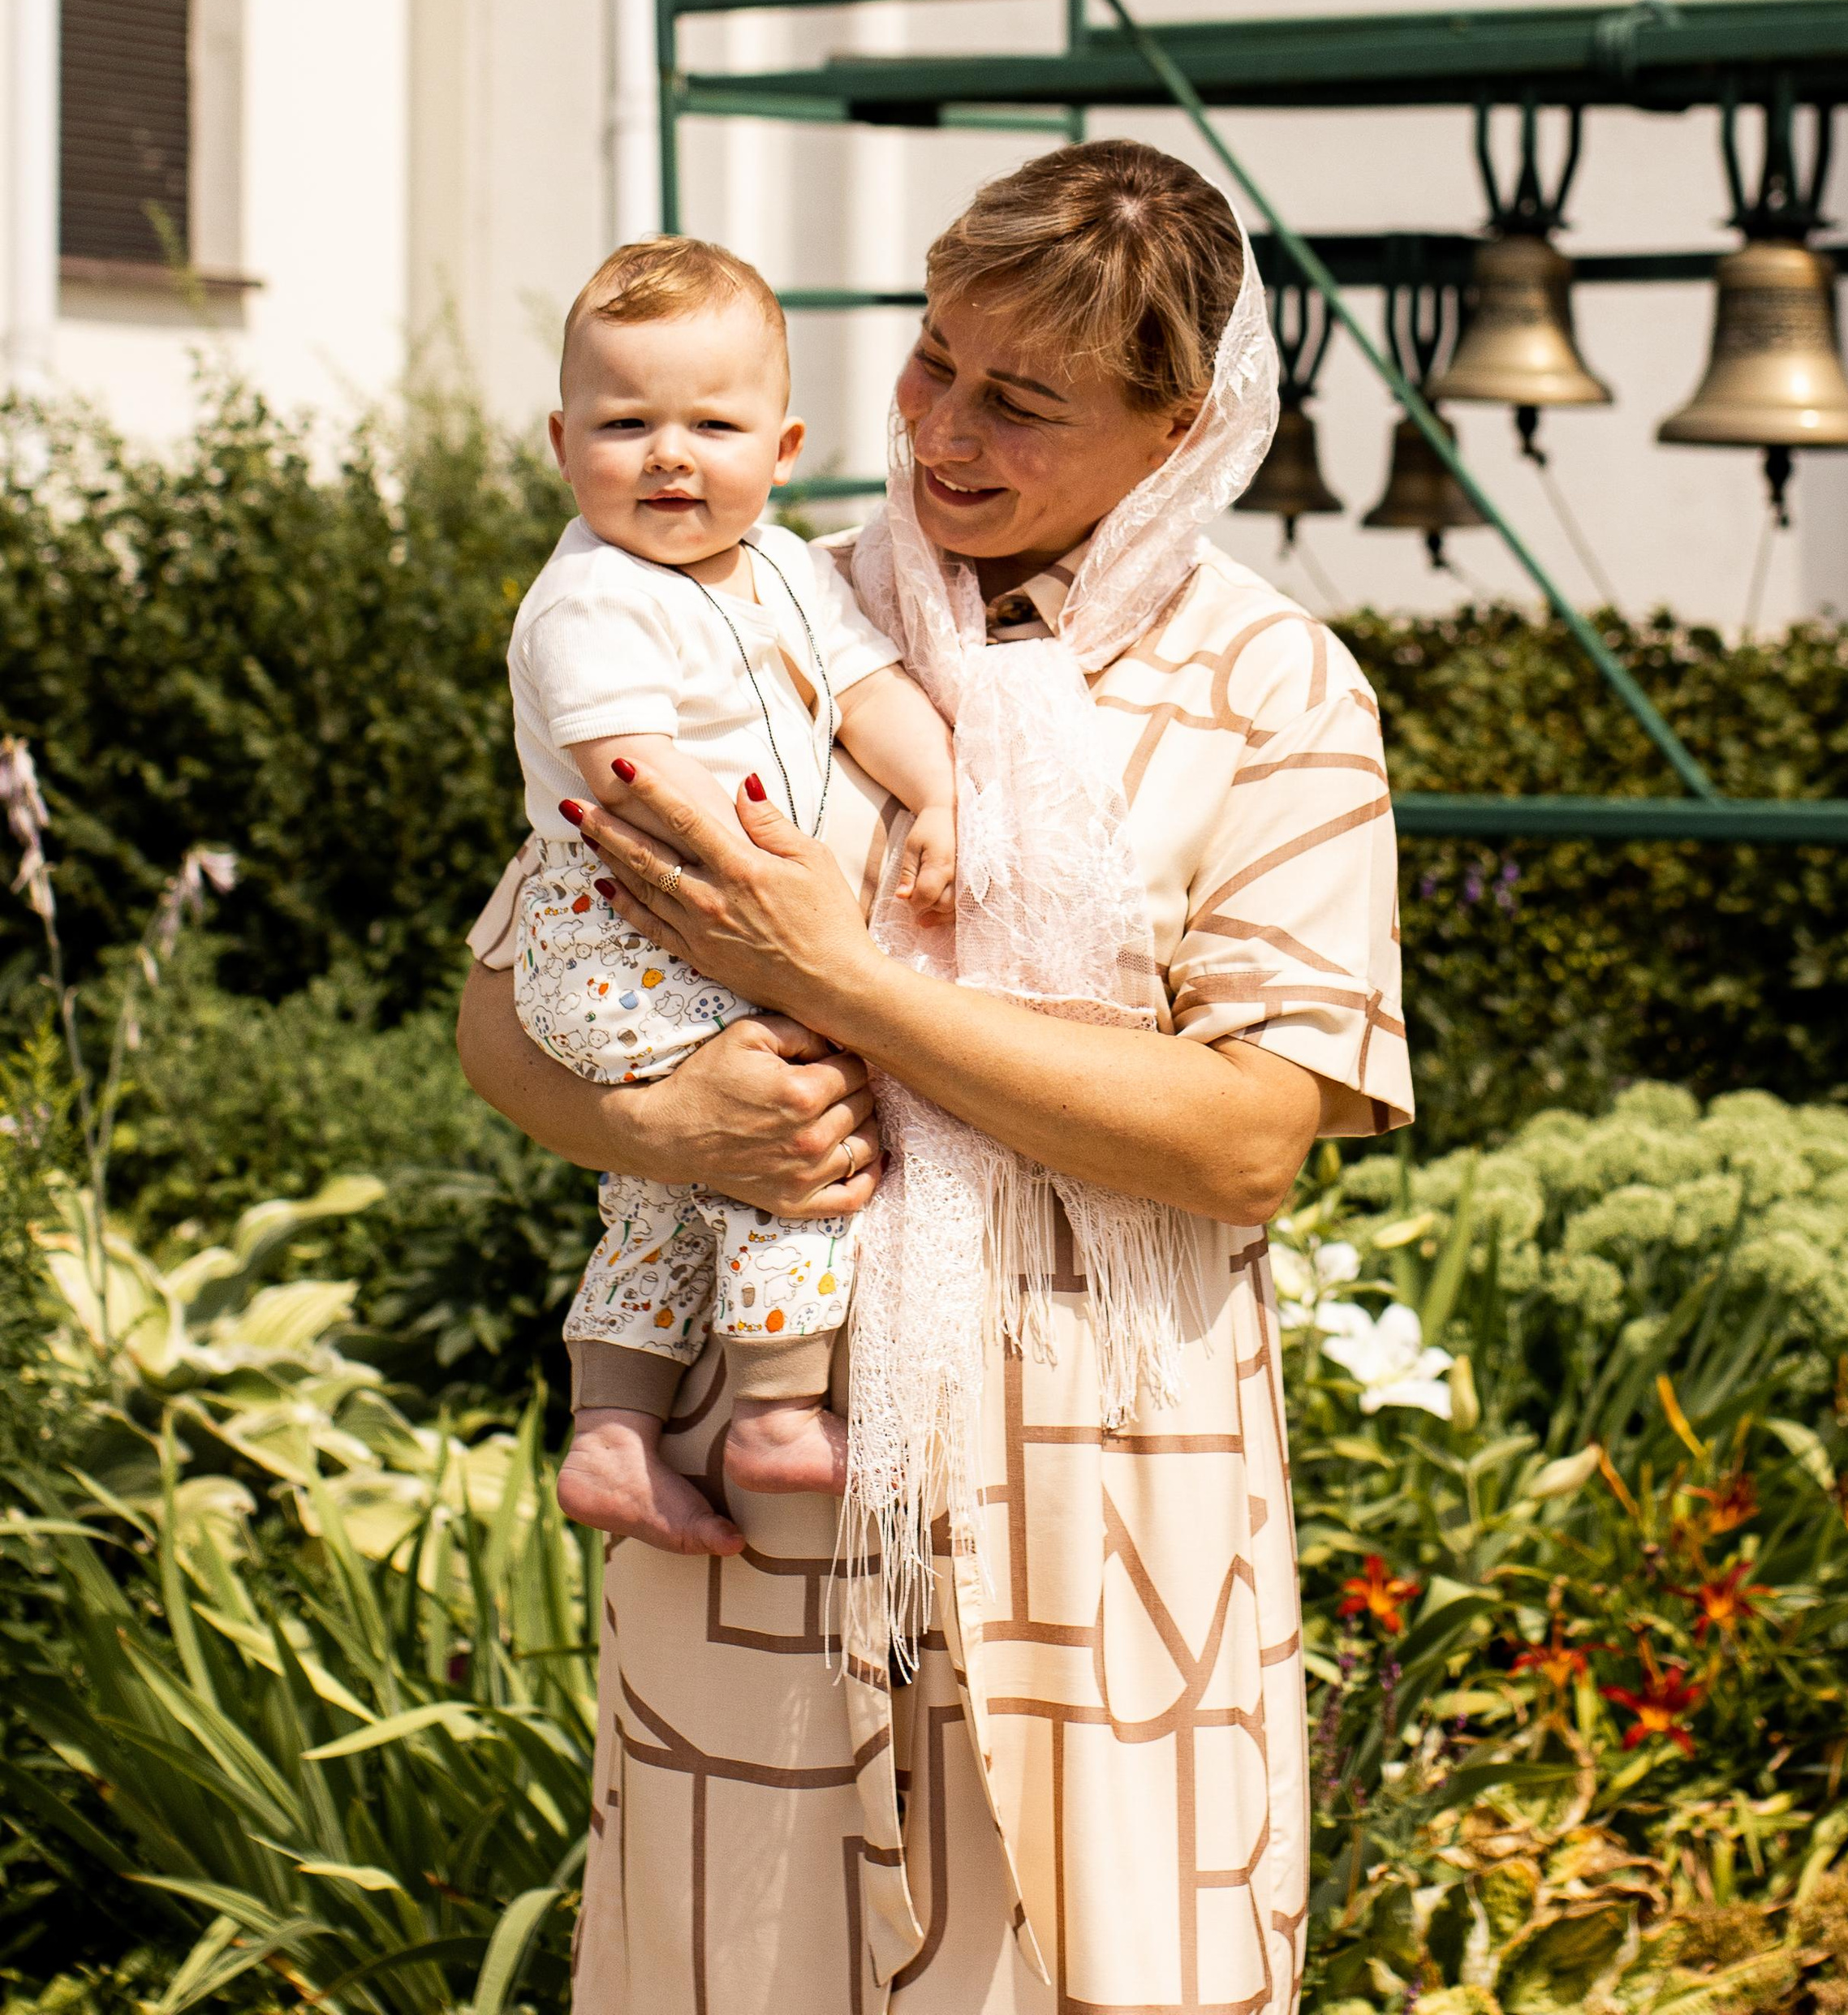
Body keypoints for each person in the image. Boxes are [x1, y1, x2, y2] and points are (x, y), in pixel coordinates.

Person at [457, 140, 1411, 2015]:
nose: (945, 432)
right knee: (742, 1960)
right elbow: (505, 1002)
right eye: (931, 362)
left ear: (1174, 428)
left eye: (1023, 401)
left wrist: (834, 985)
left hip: (1107, 1491)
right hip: (772, 1473)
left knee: (1101, 1963)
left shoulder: (1270, 693)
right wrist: (660, 1121)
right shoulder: (744, 603)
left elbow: (1243, 1144)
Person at [501, 235, 956, 1552]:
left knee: (659, 1191)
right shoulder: (591, 598)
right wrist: (786, 915)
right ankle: (771, 1409)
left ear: (786, 440)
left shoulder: (793, 575)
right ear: (561, 438)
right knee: (785, 1123)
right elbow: (636, 775)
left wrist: (938, 796)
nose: (669, 456)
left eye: (713, 421)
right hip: (634, 926)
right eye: (625, 422)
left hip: (699, 924)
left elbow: (870, 696)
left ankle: (611, 1433)